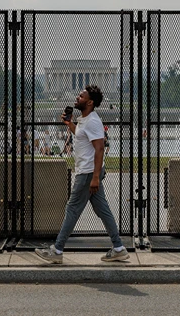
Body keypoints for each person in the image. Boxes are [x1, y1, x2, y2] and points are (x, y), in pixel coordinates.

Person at [35, 85, 128, 264]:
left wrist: (94, 177)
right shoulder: (84, 119)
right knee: (103, 210)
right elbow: (80, 135)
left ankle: (57, 249)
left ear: (90, 102)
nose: (77, 98)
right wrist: (69, 124)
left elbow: (99, 148)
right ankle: (118, 248)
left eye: (81, 96)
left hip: (87, 173)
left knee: (72, 209)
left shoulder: (93, 121)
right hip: (88, 172)